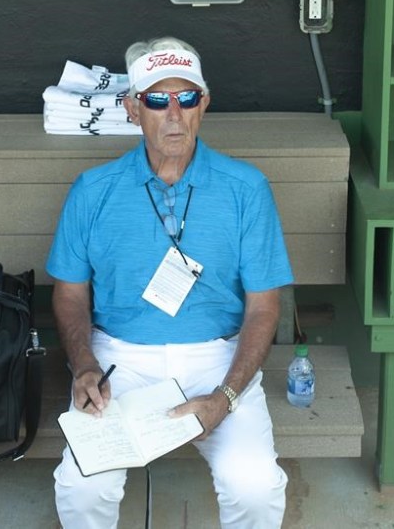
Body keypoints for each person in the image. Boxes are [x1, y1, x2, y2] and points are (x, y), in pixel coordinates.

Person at [47, 36, 293, 529]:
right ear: (133, 109)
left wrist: (224, 397)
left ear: (205, 103)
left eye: (187, 98)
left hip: (217, 356)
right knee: (81, 484)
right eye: (158, 99)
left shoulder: (246, 189)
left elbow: (264, 306)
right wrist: (85, 367)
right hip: (121, 359)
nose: (174, 114)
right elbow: (70, 293)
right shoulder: (93, 191)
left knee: (255, 485)